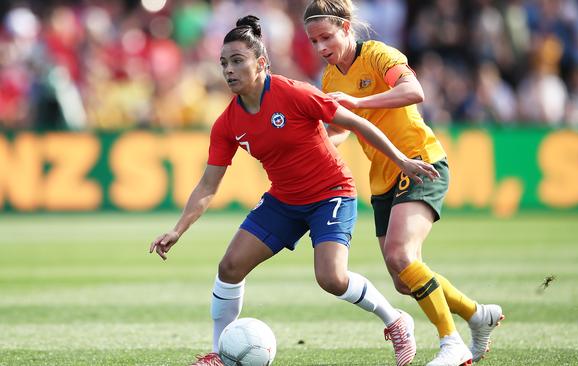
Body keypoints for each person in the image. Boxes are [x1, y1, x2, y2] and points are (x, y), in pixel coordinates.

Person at [149, 15, 437, 366]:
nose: (228, 70)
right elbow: (209, 184)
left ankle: (395, 321)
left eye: (237, 61)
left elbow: (356, 122)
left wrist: (402, 160)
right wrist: (178, 229)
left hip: (332, 192)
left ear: (261, 64)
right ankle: (219, 354)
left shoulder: (293, 93)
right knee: (229, 267)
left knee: (331, 278)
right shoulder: (227, 123)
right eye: (224, 63)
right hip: (284, 199)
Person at [303, 1, 505, 365]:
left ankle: (451, 343)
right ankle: (477, 314)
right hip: (382, 178)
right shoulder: (331, 78)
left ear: (346, 28)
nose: (320, 48)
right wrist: (309, 147)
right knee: (402, 279)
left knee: (400, 255)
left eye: (326, 37)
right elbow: (340, 130)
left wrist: (359, 101)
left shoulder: (379, 55)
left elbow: (415, 91)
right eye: (314, 41)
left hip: (420, 161)